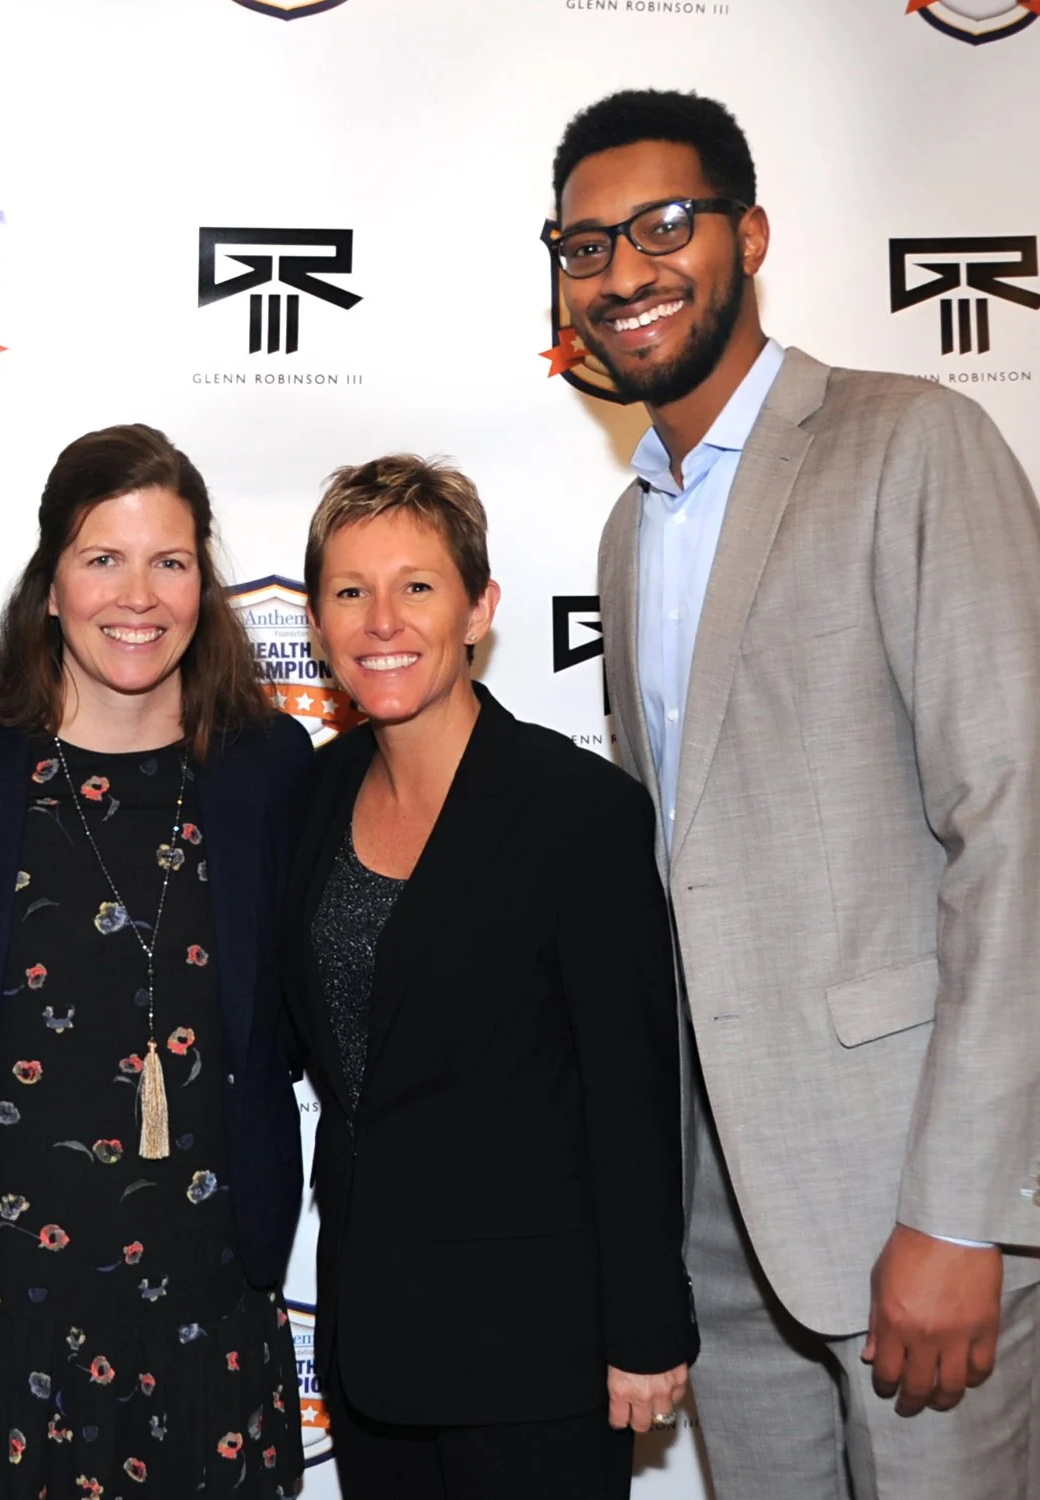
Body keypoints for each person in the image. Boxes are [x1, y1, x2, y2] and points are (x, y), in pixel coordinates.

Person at [548, 90, 1040, 1500]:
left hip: (917, 1199)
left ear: (748, 235)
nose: (621, 271)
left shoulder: (908, 443)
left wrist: (961, 1213)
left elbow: (1017, 831)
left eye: (662, 226)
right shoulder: (632, 532)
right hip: (728, 1216)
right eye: (580, 243)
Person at [0, 424, 314, 1498]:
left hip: (205, 1315)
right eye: (102, 558)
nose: (140, 596)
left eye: (170, 561)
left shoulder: (268, 770)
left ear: (204, 585)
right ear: (49, 586)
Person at [286, 456, 694, 1500]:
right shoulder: (311, 795)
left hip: (537, 1358)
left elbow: (632, 1093)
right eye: (349, 592)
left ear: (480, 609)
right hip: (374, 1344)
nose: (382, 620)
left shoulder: (579, 815)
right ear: (320, 625)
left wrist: (647, 1329)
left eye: (416, 586)